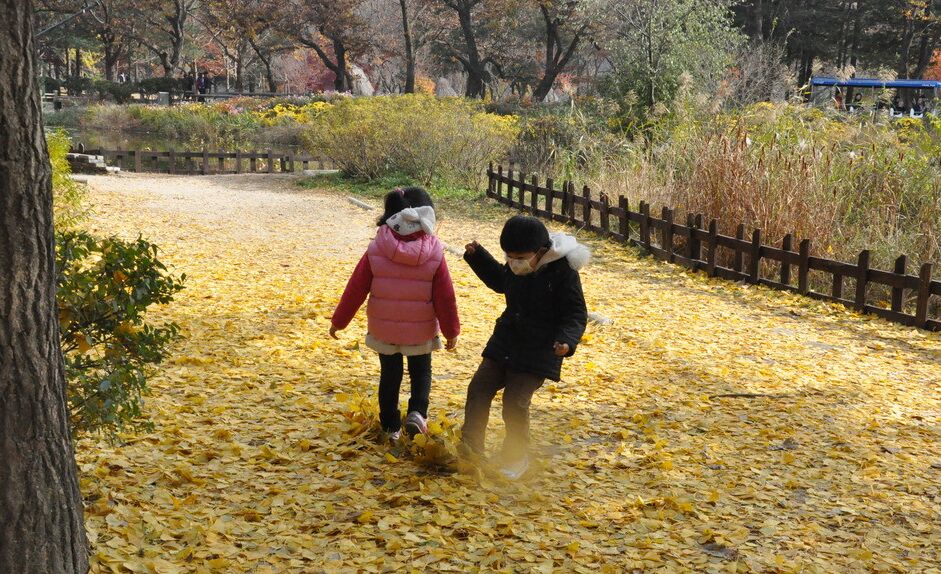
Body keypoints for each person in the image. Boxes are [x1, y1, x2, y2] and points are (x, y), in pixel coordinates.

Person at [460, 216, 588, 480]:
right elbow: (500, 281)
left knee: (514, 403)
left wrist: (567, 341)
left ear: (541, 251)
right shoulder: (514, 267)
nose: (514, 263)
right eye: (509, 257)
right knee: (478, 390)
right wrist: (478, 257)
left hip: (539, 350)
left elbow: (575, 313)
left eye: (520, 258)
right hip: (505, 341)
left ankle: (516, 456)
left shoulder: (563, 272)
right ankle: (470, 451)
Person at [330, 187, 460, 440]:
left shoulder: (377, 247)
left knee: (390, 375)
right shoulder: (434, 250)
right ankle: (417, 413)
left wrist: (339, 321)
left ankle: (391, 427)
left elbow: (356, 288)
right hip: (420, 328)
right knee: (421, 372)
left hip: (385, 329)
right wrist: (451, 330)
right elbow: (445, 295)